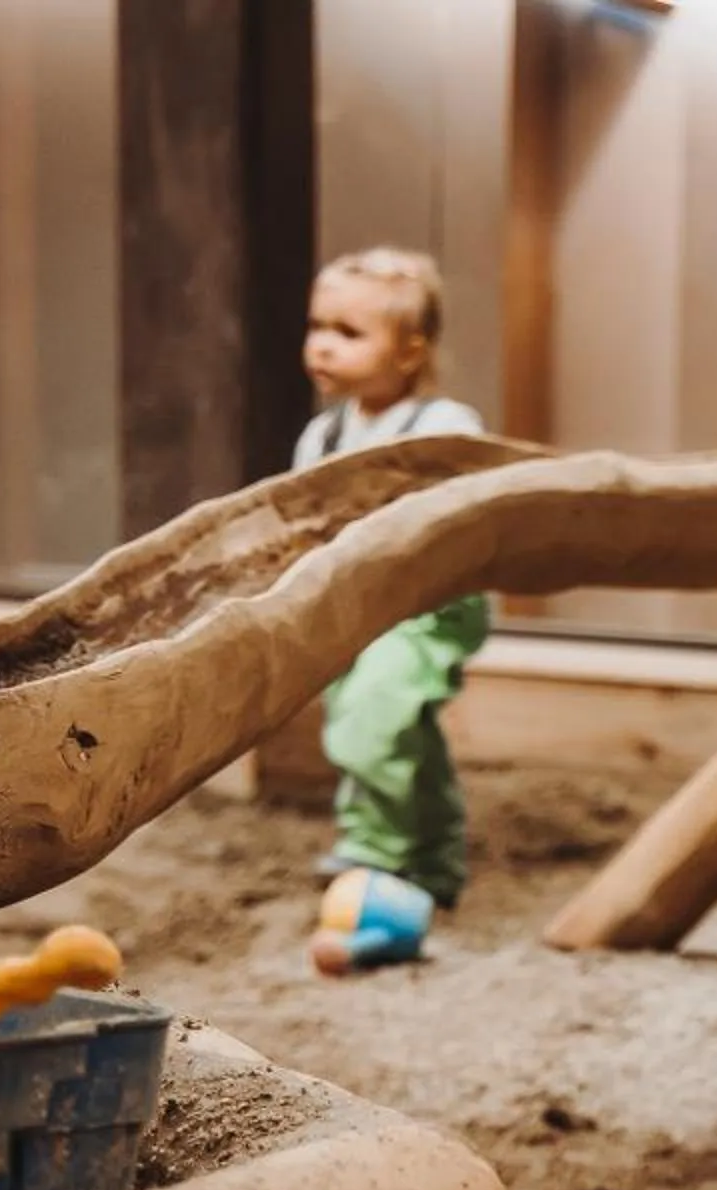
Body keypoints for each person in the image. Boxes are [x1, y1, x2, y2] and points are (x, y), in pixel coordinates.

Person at [295, 245, 490, 920]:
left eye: (348, 334)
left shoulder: (444, 428)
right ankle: (436, 862)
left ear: (409, 353)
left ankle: (373, 851)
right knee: (405, 731)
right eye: (318, 327)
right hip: (354, 604)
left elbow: (466, 514)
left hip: (428, 605)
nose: (323, 346)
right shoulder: (322, 437)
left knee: (374, 720)